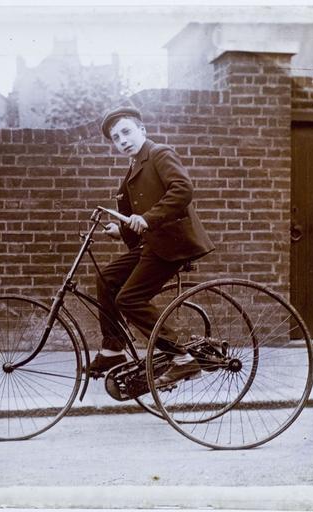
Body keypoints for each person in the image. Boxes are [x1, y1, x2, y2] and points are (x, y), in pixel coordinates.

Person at [89, 106, 215, 386]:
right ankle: (113, 350)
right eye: (116, 138)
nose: (122, 140)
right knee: (106, 279)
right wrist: (121, 230)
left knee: (129, 299)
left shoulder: (159, 153)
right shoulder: (135, 166)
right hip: (153, 243)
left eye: (126, 132)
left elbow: (182, 190)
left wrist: (147, 219)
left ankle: (181, 359)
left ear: (142, 130)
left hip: (172, 243)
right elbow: (139, 211)